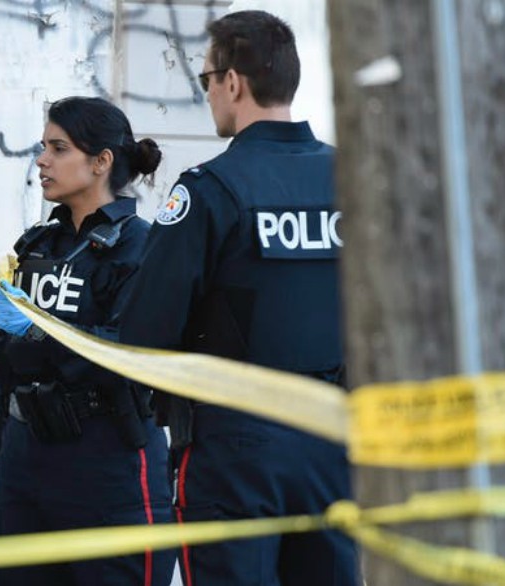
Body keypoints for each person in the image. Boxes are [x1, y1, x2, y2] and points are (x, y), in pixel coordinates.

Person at [118, 10, 358, 586]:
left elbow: (144, 332)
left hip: (236, 447)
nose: (208, 95)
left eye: (205, 80)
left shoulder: (212, 190)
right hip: (334, 437)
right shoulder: (352, 178)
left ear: (233, 82)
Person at [0, 96, 174, 585]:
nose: (41, 160)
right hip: (29, 460)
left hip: (107, 459)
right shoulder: (38, 244)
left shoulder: (142, 246)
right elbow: (11, 361)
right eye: (43, 147)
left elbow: (128, 352)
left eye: (58, 148)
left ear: (101, 163)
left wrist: (35, 329)